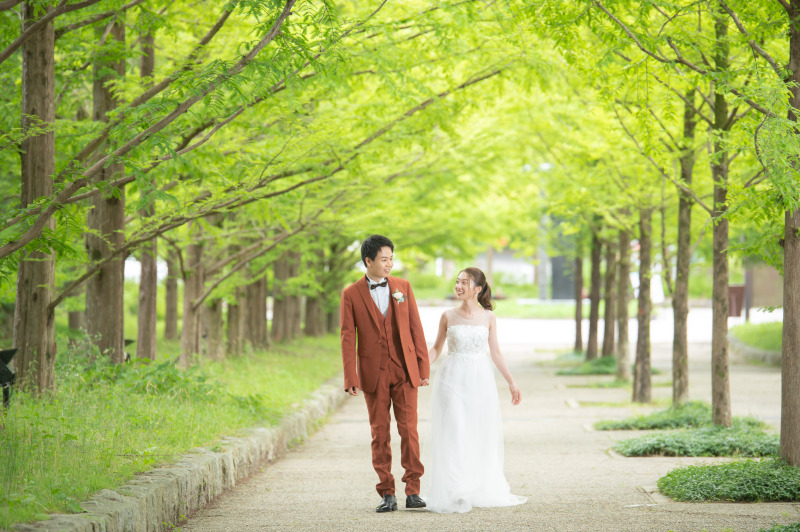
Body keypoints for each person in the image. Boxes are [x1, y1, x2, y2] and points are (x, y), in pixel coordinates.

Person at [423, 267, 527, 514]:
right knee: (456, 429)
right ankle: (457, 490)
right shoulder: (448, 315)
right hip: (452, 378)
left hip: (480, 380)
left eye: (464, 282)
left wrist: (511, 383)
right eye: (457, 281)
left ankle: (475, 485)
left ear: (478, 289)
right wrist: (420, 368)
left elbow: (496, 353)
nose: (458, 286)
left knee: (477, 431)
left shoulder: (489, 317)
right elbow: (436, 348)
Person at [340, 235, 431, 513]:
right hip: (373, 373)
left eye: (391, 258)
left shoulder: (402, 287)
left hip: (404, 369)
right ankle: (387, 492)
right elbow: (347, 337)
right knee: (379, 433)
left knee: (409, 431)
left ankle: (413, 490)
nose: (389, 264)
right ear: (368, 261)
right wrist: (350, 377)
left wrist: (423, 367)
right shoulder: (351, 293)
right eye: (384, 259)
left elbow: (416, 327)